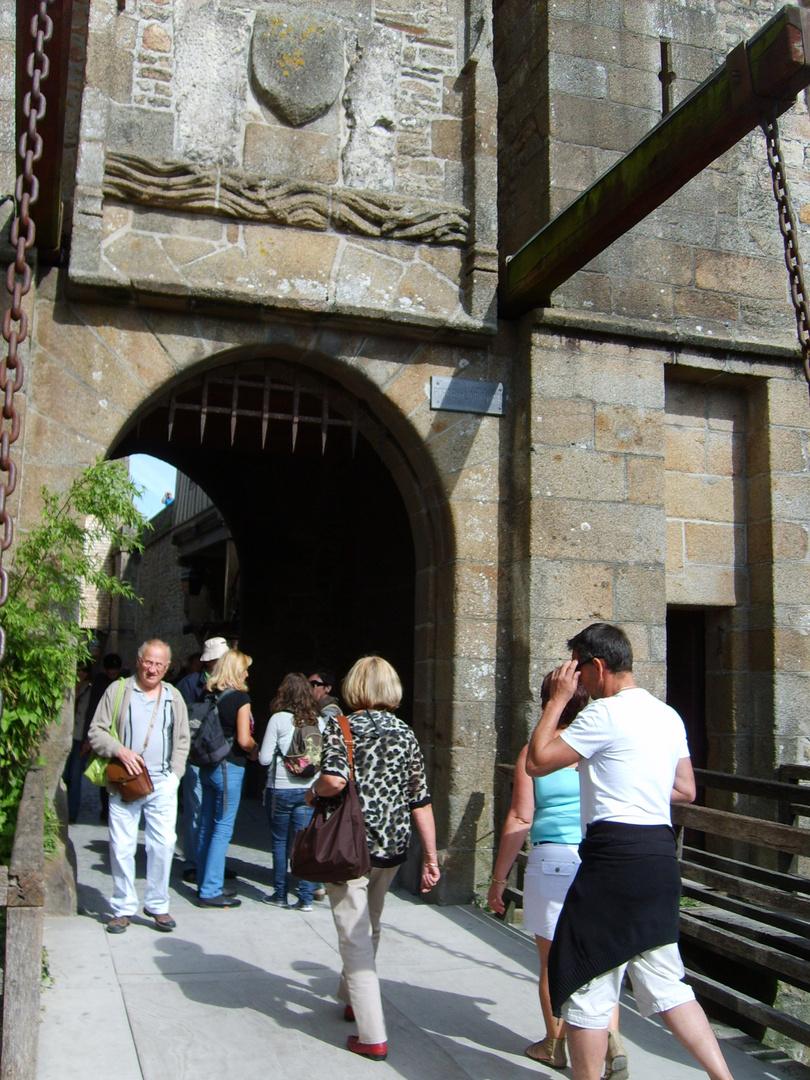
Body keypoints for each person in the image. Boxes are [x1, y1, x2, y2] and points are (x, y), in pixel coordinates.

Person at [525, 623, 735, 1080]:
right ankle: (724, 1077)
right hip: (660, 855)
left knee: (584, 980)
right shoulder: (668, 716)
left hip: (613, 858)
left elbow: (536, 761)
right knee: (666, 982)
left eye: (579, 671)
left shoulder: (603, 714)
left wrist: (558, 700)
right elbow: (685, 789)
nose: (577, 680)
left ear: (598, 666)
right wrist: (633, 782)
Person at [488, 674, 627, 1077]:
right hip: (595, 857)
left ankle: (555, 1043)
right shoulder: (599, 747)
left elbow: (520, 816)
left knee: (553, 963)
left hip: (551, 862)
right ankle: (611, 1038)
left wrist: (499, 881)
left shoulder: (536, 752)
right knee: (601, 958)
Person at [306, 655, 440, 1062]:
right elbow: (421, 799)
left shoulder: (341, 727)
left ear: (354, 688)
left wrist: (312, 792)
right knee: (371, 924)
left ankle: (372, 1034)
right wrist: (431, 857)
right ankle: (351, 998)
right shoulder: (405, 733)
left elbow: (333, 780)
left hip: (351, 847)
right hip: (393, 849)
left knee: (354, 935)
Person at [87, 639, 189, 934]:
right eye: (148, 662)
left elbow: (182, 739)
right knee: (121, 846)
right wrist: (119, 750)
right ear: (139, 660)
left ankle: (158, 905)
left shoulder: (174, 697)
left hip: (162, 784)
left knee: (163, 845)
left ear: (167, 668)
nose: (153, 668)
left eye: (159, 664)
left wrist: (176, 776)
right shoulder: (118, 690)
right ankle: (122, 907)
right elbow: (96, 730)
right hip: (124, 784)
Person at [196, 647, 259, 908]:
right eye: (245, 669)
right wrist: (255, 751)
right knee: (222, 828)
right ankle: (210, 890)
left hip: (207, 765)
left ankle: (205, 882)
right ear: (236, 671)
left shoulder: (208, 692)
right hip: (229, 767)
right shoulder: (241, 700)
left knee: (206, 825)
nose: (247, 674)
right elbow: (243, 740)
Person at [258, 673, 325, 910]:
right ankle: (306, 897)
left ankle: (280, 894)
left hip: (280, 790)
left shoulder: (278, 719)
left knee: (279, 842)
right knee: (303, 844)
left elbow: (265, 759)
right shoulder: (319, 721)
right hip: (309, 791)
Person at [176, 636, 230, 884]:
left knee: (219, 811)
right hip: (196, 755)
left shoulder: (231, 686)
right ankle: (192, 860)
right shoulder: (189, 685)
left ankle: (212, 862)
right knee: (195, 807)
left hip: (222, 757)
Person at [86, 653, 122, 823]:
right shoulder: (100, 683)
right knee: (105, 773)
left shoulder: (123, 684)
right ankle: (105, 809)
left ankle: (113, 808)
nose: (112, 674)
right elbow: (92, 708)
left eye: (115, 672)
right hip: (103, 733)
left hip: (119, 735)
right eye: (110, 671)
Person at [63, 662, 93, 824]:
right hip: (66, 735)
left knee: (75, 775)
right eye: (79, 670)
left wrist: (88, 740)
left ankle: (71, 813)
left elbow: (90, 714)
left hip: (80, 738)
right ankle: (61, 808)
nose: (81, 673)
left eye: (84, 670)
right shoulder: (69, 686)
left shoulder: (90, 689)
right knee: (64, 774)